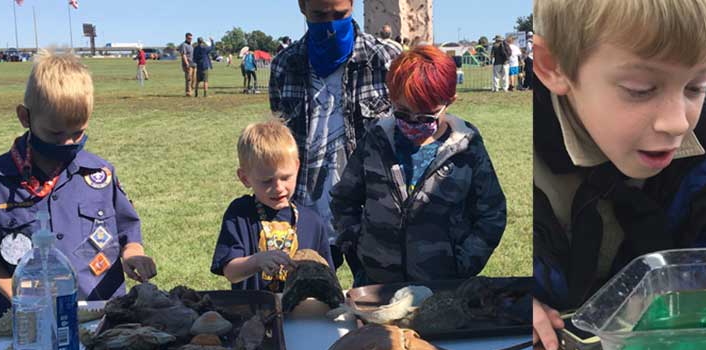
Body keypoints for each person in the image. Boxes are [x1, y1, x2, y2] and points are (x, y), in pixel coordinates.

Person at [530, 0, 706, 350]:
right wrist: (503, 300)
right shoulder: (508, 158)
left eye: (696, 87)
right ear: (553, 65)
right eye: (640, 89)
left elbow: (703, 262)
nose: (678, 122)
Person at [0, 49, 158, 317]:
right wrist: (18, 296)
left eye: (78, 133)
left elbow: (128, 232)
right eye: (55, 134)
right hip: (29, 321)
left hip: (103, 314)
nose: (68, 143)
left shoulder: (100, 175)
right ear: (25, 117)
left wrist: (133, 255)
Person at [331, 45, 507, 285]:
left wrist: (464, 263)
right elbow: (344, 199)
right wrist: (357, 250)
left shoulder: (467, 147)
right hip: (378, 285)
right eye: (402, 113)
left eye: (426, 116)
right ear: (391, 99)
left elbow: (492, 213)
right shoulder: (375, 141)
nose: (413, 122)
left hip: (442, 288)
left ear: (449, 101)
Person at [268, 0, 401, 268]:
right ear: (302, 7)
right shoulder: (284, 65)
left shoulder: (386, 59)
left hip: (370, 216)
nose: (330, 23)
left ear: (353, 4)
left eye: (340, 14)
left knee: (376, 301)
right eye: (319, 14)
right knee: (307, 305)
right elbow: (280, 145)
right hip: (306, 217)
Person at [212, 118, 334, 291]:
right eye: (266, 181)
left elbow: (327, 277)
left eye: (285, 177)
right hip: (253, 312)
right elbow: (231, 271)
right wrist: (257, 261)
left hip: (301, 314)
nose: (278, 188)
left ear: (297, 167)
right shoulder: (240, 214)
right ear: (245, 178)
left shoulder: (312, 222)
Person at [180, 33, 196, 97]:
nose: (190, 39)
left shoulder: (191, 45)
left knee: (194, 78)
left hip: (194, 64)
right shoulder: (184, 45)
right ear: (186, 38)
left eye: (191, 38)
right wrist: (187, 64)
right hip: (188, 64)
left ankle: (192, 90)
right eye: (189, 38)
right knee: (189, 78)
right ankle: (188, 92)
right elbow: (183, 55)